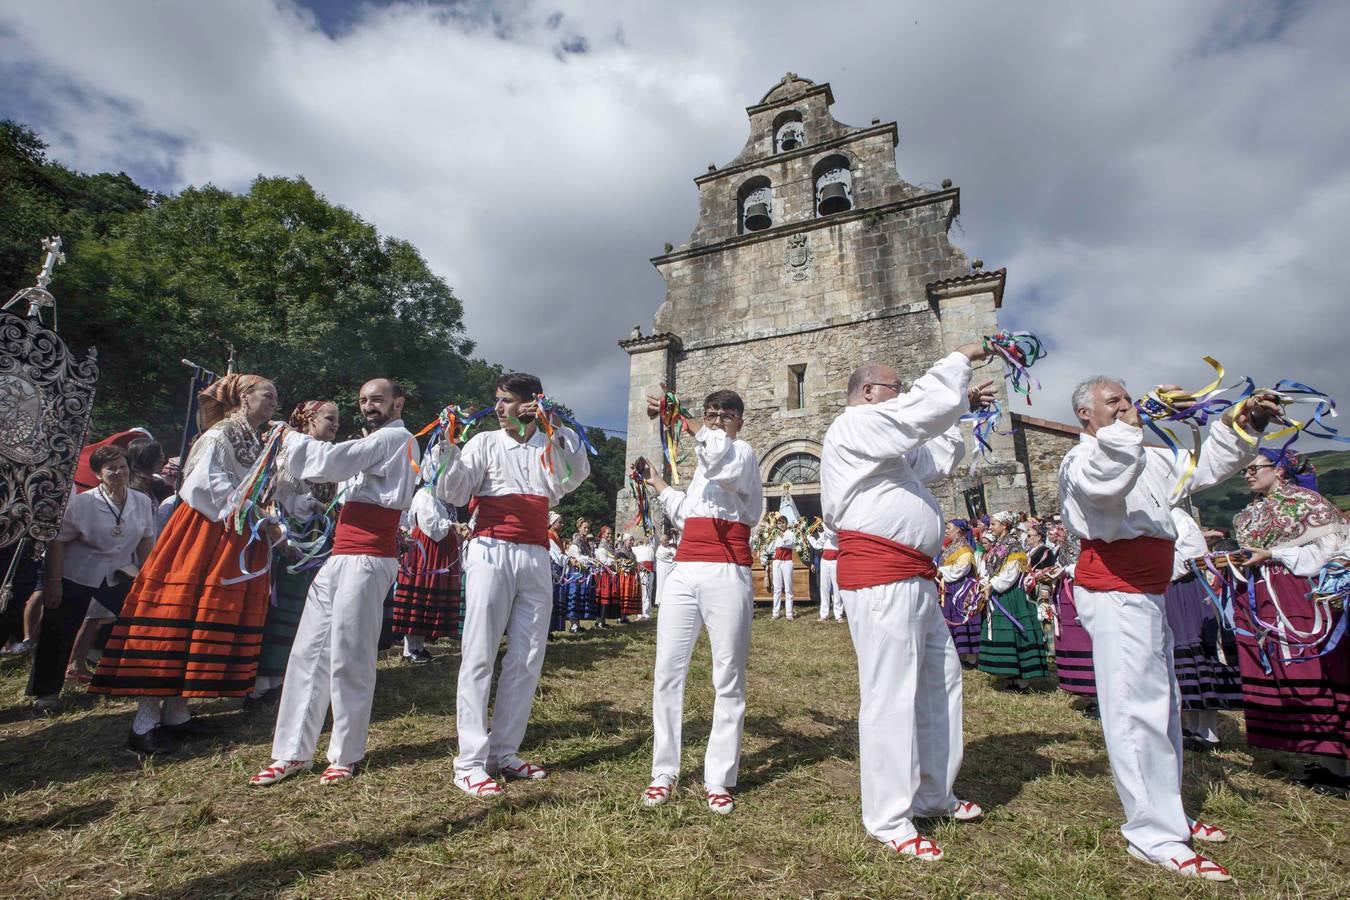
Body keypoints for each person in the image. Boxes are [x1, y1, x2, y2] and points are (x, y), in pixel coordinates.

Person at [1057, 374, 1277, 882]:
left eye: (1129, 400)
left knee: (1164, 702)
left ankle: (1167, 812)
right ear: (1085, 416)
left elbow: (1203, 467)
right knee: (1136, 708)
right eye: (1113, 402)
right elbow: (1108, 484)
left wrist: (1243, 425)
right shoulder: (1082, 460)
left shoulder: (1147, 452)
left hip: (1149, 589)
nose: (1128, 408)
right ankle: (1151, 832)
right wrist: (1128, 430)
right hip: (1114, 590)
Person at [821, 348, 995, 861]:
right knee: (890, 691)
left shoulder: (889, 445)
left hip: (913, 576)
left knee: (940, 681)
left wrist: (957, 410)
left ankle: (933, 792)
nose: (904, 395)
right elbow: (913, 418)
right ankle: (888, 815)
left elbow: (936, 457)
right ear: (869, 393)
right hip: (879, 577)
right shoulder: (853, 427)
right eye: (898, 387)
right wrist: (958, 362)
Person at [91, 373, 279, 755]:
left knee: (200, 622)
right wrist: (251, 511)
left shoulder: (251, 440)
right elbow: (201, 487)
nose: (275, 402)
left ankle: (177, 714)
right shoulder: (218, 435)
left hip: (230, 535)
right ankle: (143, 725)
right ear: (243, 397)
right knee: (178, 619)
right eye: (268, 395)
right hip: (202, 534)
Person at [252, 379, 416, 786]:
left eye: (377, 399)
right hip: (341, 556)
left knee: (350, 653)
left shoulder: (398, 438)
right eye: (362, 400)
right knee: (308, 651)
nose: (368, 406)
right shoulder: (376, 441)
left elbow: (333, 462)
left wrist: (288, 436)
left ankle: (344, 752)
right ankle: (291, 752)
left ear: (398, 402)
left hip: (369, 558)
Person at [435, 372, 591, 798]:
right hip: (490, 548)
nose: (500, 408)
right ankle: (469, 761)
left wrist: (553, 427)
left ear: (529, 404)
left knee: (527, 654)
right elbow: (454, 487)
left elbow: (574, 475)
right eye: (498, 401)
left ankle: (504, 750)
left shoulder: (548, 444)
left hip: (536, 553)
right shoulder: (484, 442)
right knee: (480, 651)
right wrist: (448, 445)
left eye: (507, 401)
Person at [633, 388, 763, 815]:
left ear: (740, 421)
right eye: (712, 414)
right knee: (668, 670)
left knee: (727, 676)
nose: (717, 421)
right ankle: (663, 771)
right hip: (686, 569)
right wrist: (657, 482)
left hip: (727, 569)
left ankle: (719, 777)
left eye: (726, 415)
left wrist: (686, 422)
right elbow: (686, 512)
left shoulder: (742, 455)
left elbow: (720, 459)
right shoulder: (706, 466)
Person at [1232, 449, 1349, 796]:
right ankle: (1324, 759)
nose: (1248, 475)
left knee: (1315, 666)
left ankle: (1342, 767)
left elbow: (1334, 553)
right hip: (1263, 595)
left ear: (1279, 470)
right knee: (1285, 669)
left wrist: (1274, 554)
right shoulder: (1249, 513)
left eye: (1254, 469)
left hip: (1301, 594)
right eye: (1245, 471)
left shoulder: (1306, 503)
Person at [27, 446, 156, 708]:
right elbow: (59, 543)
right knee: (60, 630)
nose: (118, 472)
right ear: (98, 474)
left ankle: (129, 680)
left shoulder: (140, 501)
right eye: (111, 468)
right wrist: (54, 583)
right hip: (79, 572)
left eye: (122, 466)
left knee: (139, 621)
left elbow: (145, 540)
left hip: (120, 572)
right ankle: (47, 692)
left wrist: (147, 579)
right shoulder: (82, 503)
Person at [251, 400, 341, 705]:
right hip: (289, 540)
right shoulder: (290, 454)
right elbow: (270, 499)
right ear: (310, 420)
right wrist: (285, 535)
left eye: (337, 420)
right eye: (330, 418)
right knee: (279, 609)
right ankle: (262, 683)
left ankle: (283, 677)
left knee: (303, 610)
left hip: (316, 542)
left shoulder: (329, 458)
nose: (335, 425)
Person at [1166, 508, 1242, 752]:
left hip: (1184, 589)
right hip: (1165, 591)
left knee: (1194, 651)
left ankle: (1208, 732)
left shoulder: (1176, 514)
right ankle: (1191, 726)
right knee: (1177, 659)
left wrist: (1159, 567)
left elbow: (1195, 551)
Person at [392, 446, 462, 664]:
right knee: (420, 597)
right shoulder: (424, 495)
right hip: (425, 553)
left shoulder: (439, 498)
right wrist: (452, 525)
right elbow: (431, 526)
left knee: (429, 600)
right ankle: (409, 650)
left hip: (435, 551)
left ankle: (418, 647)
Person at [977, 511, 1048, 691]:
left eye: (994, 524)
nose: (991, 527)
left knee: (1016, 633)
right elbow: (992, 569)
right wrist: (985, 582)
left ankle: (1024, 679)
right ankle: (1011, 672)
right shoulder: (998, 545)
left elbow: (1011, 573)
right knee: (1006, 633)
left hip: (1011, 595)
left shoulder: (1014, 546)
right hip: (998, 592)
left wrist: (992, 584)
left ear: (1004, 525)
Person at [937, 519, 980, 668]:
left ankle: (971, 657)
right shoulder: (952, 547)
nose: (947, 531)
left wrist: (941, 571)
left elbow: (960, 569)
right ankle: (960, 654)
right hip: (951, 588)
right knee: (952, 617)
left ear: (959, 531)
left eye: (949, 528)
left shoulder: (964, 548)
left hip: (961, 589)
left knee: (963, 618)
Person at [808, 520, 843, 622]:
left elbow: (831, 535)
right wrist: (808, 536)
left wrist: (824, 525)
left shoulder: (836, 529)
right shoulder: (825, 533)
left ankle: (838, 614)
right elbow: (817, 545)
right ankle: (824, 614)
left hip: (835, 561)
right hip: (824, 561)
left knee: (836, 588)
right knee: (824, 588)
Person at [768, 515, 797, 620]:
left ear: (786, 523)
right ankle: (775, 612)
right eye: (779, 523)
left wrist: (782, 536)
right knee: (777, 588)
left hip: (787, 562)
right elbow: (771, 548)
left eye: (783, 523)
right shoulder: (775, 534)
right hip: (777, 562)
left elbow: (791, 544)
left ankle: (789, 613)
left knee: (788, 588)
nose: (781, 525)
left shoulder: (791, 534)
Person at [632, 532, 657, 620]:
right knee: (642, 592)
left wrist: (652, 536)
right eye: (646, 536)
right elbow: (628, 547)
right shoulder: (637, 548)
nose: (648, 537)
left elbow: (653, 541)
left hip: (650, 571)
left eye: (649, 536)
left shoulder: (652, 547)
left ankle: (646, 613)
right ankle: (640, 613)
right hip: (641, 571)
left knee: (648, 592)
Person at [654, 528, 677, 608]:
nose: (667, 541)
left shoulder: (671, 548)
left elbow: (675, 556)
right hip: (662, 571)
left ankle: (670, 601)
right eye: (665, 540)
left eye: (667, 540)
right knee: (662, 585)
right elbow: (664, 556)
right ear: (661, 541)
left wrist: (671, 555)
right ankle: (660, 601)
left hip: (671, 570)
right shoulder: (659, 549)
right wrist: (671, 556)